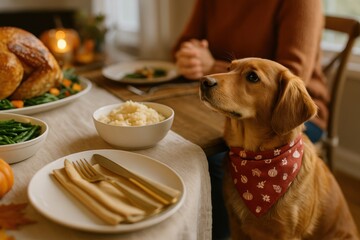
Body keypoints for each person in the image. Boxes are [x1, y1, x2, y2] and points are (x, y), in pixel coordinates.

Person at [173, 0, 329, 239]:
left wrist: (211, 65)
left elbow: (291, 72)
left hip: (289, 114)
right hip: (230, 109)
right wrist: (188, 56)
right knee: (176, 145)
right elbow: (183, 44)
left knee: (210, 160)